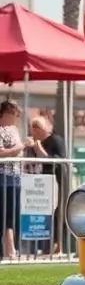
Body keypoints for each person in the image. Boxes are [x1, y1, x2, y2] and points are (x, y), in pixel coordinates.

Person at [24, 116, 67, 255]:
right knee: (43, 212)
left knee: (57, 211)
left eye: (35, 127)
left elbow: (58, 160)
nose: (33, 130)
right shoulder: (34, 142)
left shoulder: (55, 140)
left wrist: (38, 147)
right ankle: (45, 245)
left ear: (42, 129)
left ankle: (58, 244)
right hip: (39, 182)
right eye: (32, 126)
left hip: (55, 178)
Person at [0, 100, 24, 260]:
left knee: (12, 215)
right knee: (4, 215)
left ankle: (11, 249)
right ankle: (9, 250)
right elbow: (1, 152)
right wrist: (20, 147)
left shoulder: (14, 130)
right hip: (2, 177)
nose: (14, 119)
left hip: (15, 177)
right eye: (13, 115)